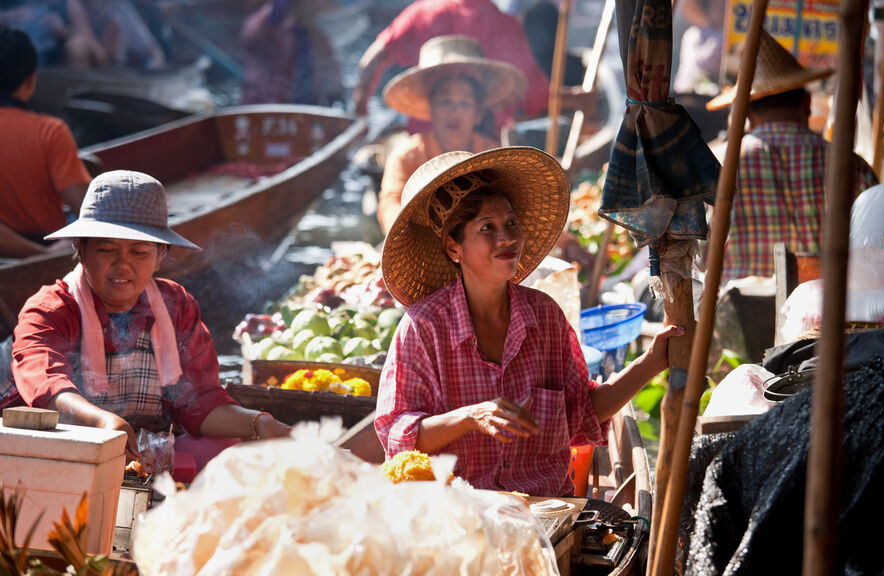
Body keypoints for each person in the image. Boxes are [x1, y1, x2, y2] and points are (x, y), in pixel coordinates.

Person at [374, 148, 684, 496]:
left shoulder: (546, 317)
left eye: (511, 224)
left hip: (546, 512)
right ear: (453, 248)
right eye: (487, 228)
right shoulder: (423, 328)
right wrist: (470, 417)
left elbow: (580, 415)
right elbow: (396, 435)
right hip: (459, 517)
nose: (507, 238)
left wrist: (652, 363)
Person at [0, 170, 291, 462]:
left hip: (139, 448)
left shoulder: (176, 305)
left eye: (139, 252)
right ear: (81, 249)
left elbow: (200, 400)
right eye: (106, 249)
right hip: (56, 449)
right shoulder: (50, 309)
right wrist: (101, 423)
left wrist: (259, 422)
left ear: (160, 255)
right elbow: (45, 383)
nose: (122, 265)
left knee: (223, 448)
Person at [705, 33, 879, 282]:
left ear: (748, 115)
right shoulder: (851, 165)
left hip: (736, 312)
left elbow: (695, 254)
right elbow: (881, 246)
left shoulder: (716, 166)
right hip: (828, 313)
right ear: (807, 104)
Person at [376, 35, 523, 235]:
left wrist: (566, 244)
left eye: (464, 103)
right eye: (446, 101)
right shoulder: (407, 156)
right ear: (431, 108)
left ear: (478, 114)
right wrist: (405, 236)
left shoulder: (493, 155)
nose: (455, 113)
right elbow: (390, 202)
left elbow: (522, 207)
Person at [351, 0, 549, 136]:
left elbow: (370, 64)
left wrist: (360, 117)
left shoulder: (423, 12)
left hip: (429, 153)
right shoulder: (506, 25)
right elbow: (537, 100)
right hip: (484, 157)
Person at [0, 24, 91, 258]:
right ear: (31, 80)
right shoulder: (50, 131)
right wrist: (42, 255)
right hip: (49, 247)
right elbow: (87, 211)